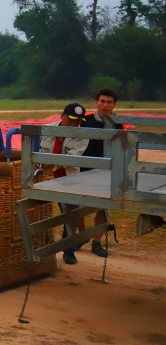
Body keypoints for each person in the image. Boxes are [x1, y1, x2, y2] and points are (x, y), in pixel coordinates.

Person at [38, 103, 88, 265]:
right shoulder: (47, 130)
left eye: (78, 122)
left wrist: (47, 161)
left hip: (69, 177)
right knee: (39, 210)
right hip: (47, 177)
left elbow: (71, 157)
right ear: (62, 116)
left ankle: (69, 250)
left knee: (71, 213)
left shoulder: (82, 135)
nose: (75, 125)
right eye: (72, 120)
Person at [76, 88, 123, 259]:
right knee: (78, 204)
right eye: (102, 101)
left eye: (109, 102)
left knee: (102, 206)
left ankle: (97, 241)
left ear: (114, 104)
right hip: (83, 168)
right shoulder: (85, 120)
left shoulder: (119, 122)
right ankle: (82, 235)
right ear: (96, 102)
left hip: (106, 171)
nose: (105, 105)